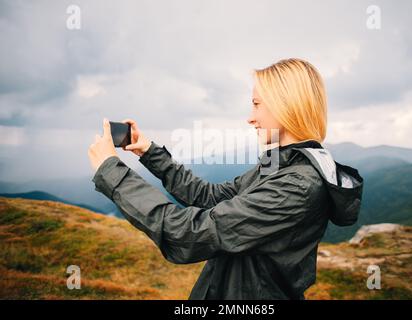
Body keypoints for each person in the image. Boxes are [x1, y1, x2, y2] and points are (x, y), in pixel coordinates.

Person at [88, 58, 364, 299]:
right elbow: (210, 197)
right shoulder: (279, 164)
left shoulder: (297, 186)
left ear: (287, 106)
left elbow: (188, 234)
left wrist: (112, 172)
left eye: (256, 104)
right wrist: (150, 153)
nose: (250, 118)